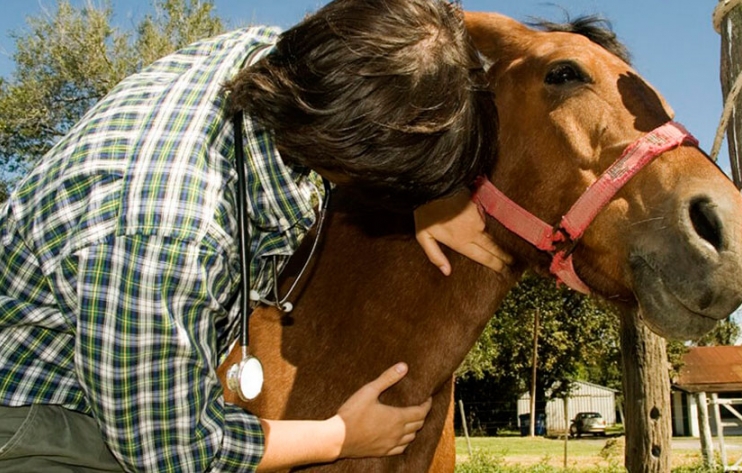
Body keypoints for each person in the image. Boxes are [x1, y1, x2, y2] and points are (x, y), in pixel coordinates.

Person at [0, 0, 511, 471]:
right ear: (351, 161)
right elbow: (173, 455)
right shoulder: (167, 238)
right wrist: (340, 436)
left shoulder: (281, 61)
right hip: (35, 422)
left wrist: (425, 197)